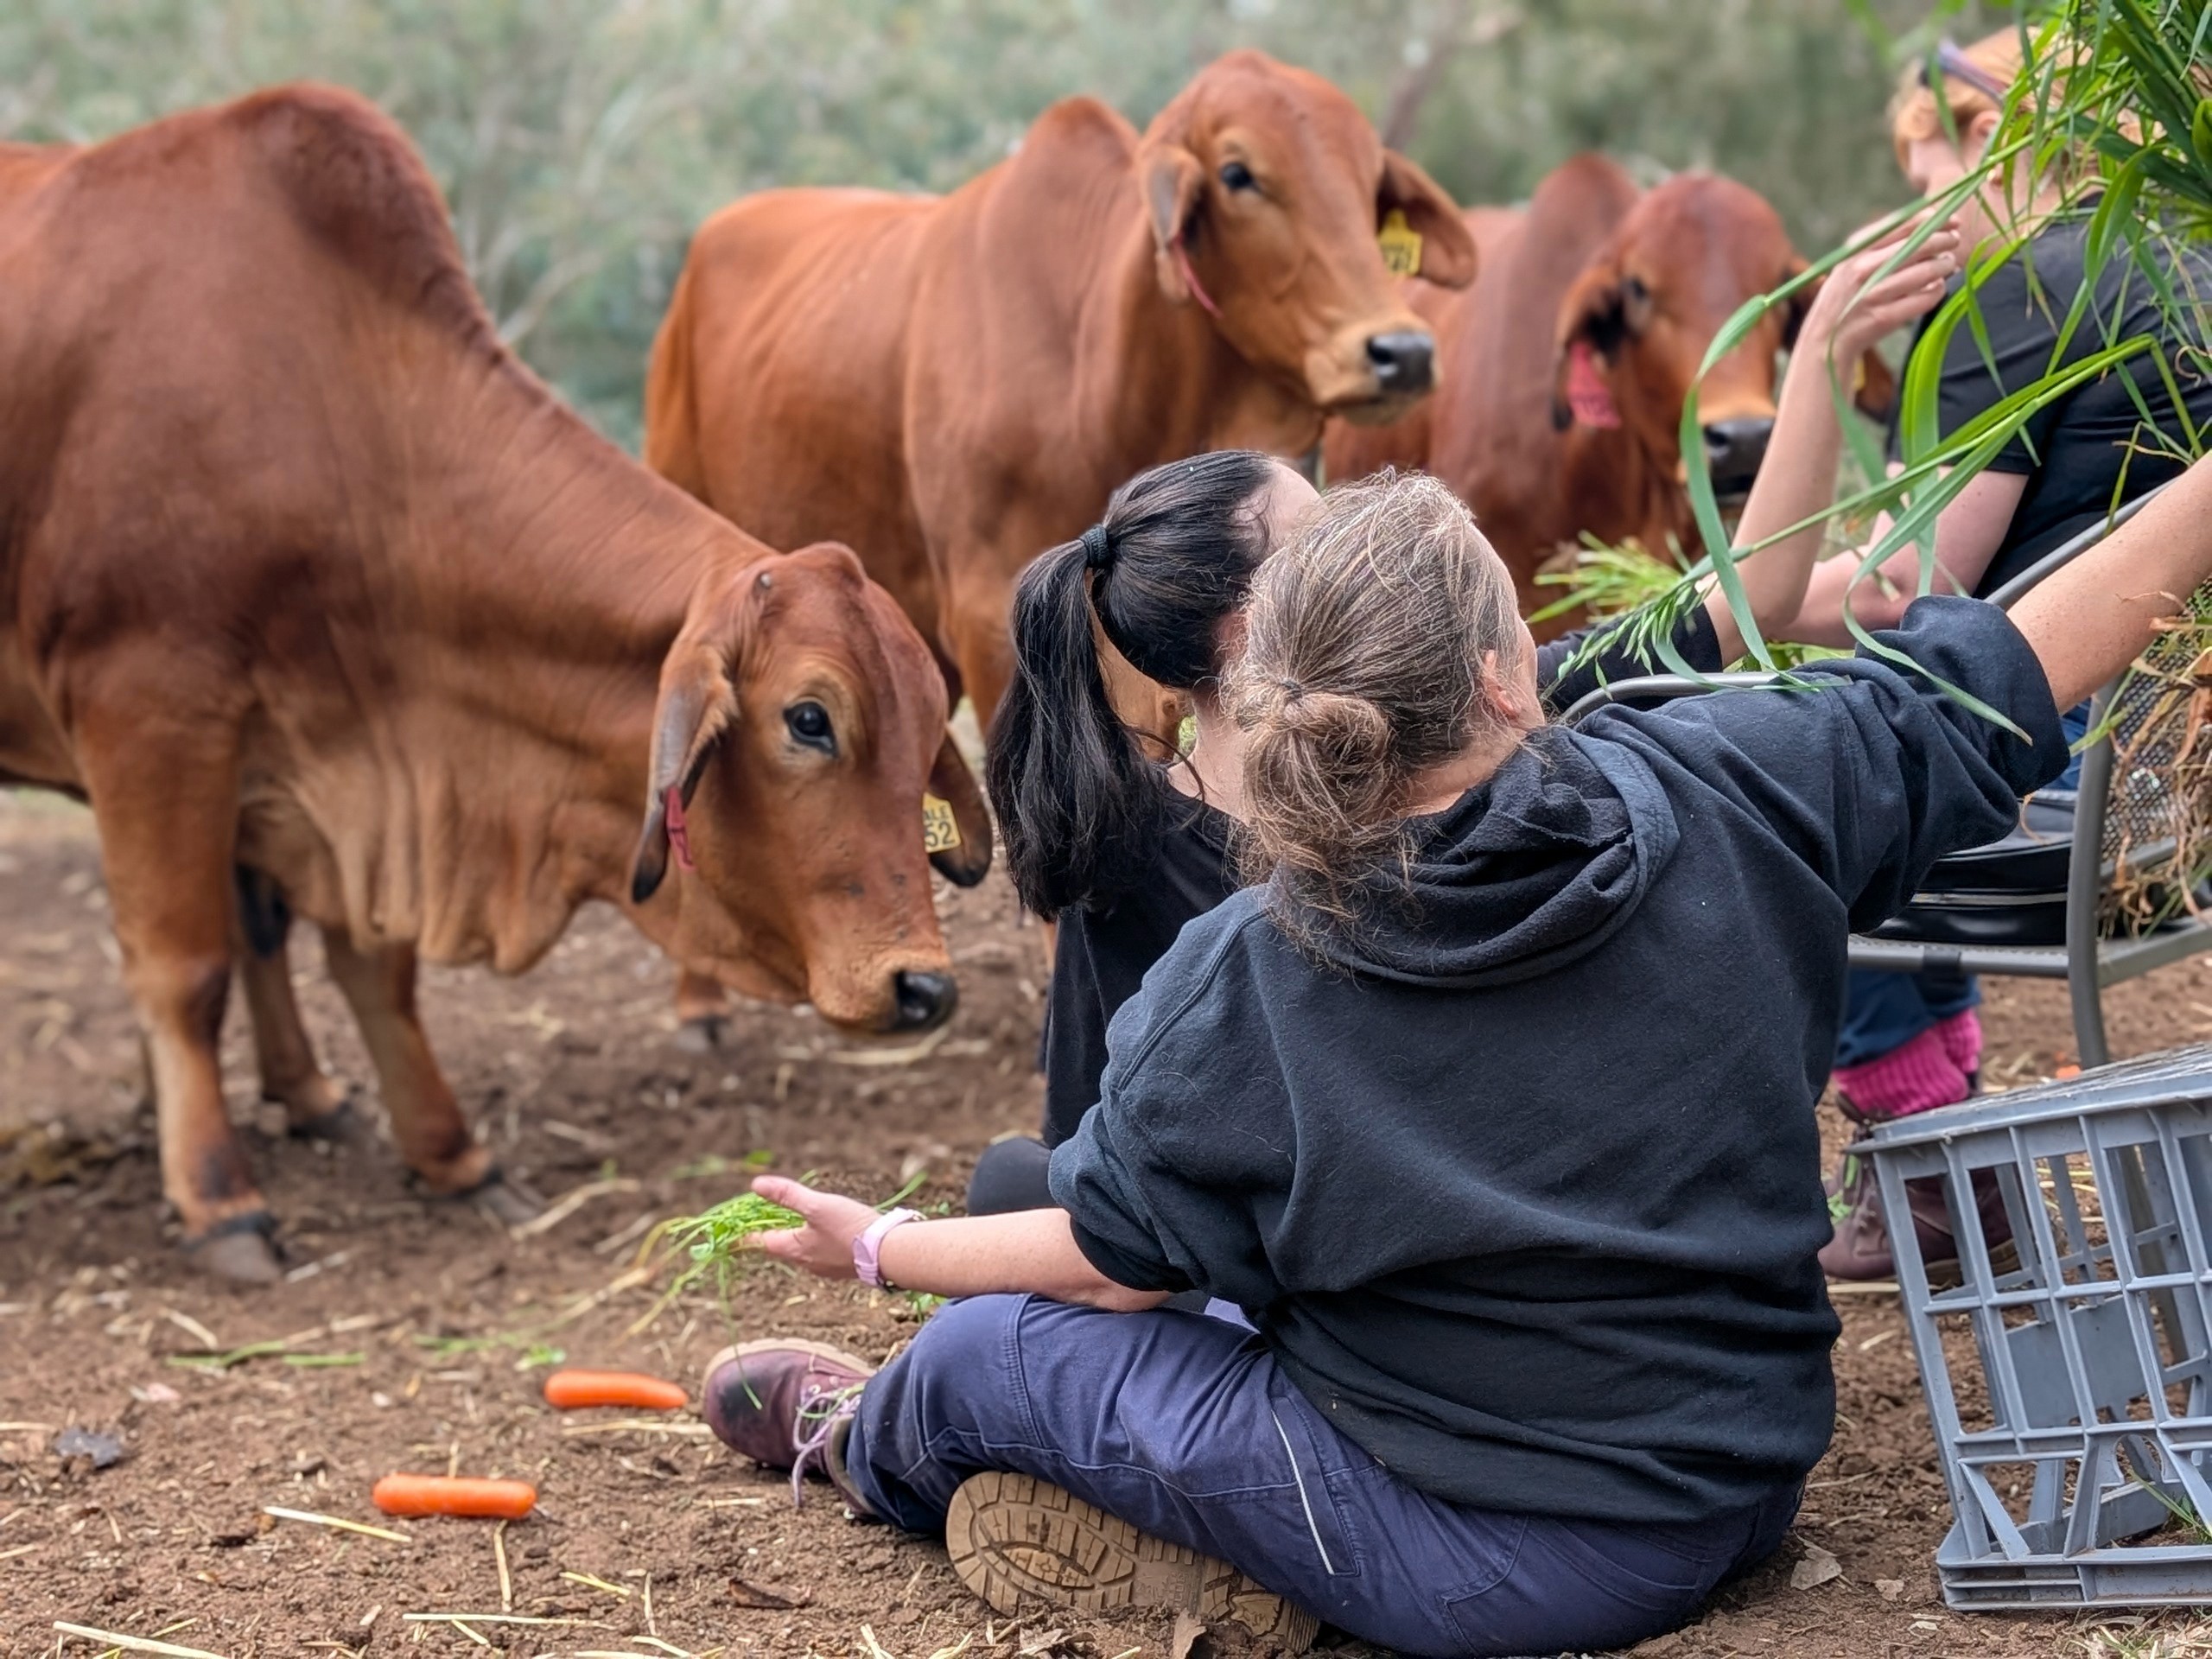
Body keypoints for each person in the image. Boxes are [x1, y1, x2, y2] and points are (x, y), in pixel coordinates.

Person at [690, 404, 2212, 1653]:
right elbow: (2019, 669)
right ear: (1503, 671)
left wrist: (879, 1248)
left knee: (980, 1360)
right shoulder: (1740, 772)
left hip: (1500, 1564)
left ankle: (861, 1438)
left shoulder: (1246, 974)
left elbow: (1101, 1257)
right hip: (1745, 1472)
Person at [971, 264, 1957, 1217]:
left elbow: (1752, 592)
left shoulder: (1463, 701)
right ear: (1246, 621)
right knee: (1018, 1186)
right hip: (1300, 1228)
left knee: (1009, 1191)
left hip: (1415, 1221)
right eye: (1327, 541)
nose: (1372, 544)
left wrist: (1819, 351)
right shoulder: (1136, 845)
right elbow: (1102, 1150)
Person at [1745, 25, 2212, 1280]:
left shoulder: (2028, 288)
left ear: (1998, 138)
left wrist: (1739, 602)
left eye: (1940, 147)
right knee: (1900, 718)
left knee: (1779, 778)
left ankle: (1935, 1158)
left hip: (2074, 806)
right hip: (2178, 797)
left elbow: (1906, 585)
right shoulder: (2192, 263)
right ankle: (1949, 1136)